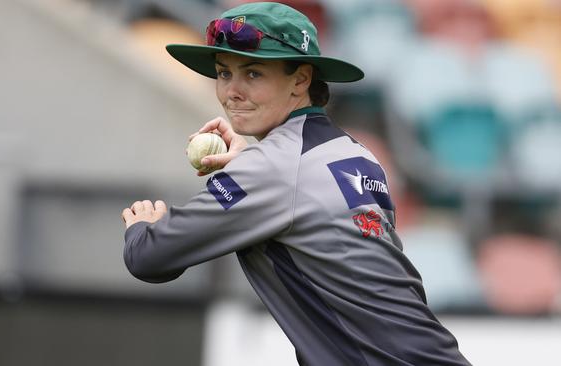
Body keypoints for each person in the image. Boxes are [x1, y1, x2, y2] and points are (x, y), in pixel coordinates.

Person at [121, 2, 471, 365]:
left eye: (253, 74)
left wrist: (141, 226)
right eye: (224, 73)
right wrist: (252, 162)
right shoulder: (356, 154)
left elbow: (150, 257)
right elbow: (301, 197)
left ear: (301, 80)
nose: (232, 91)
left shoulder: (269, 169)